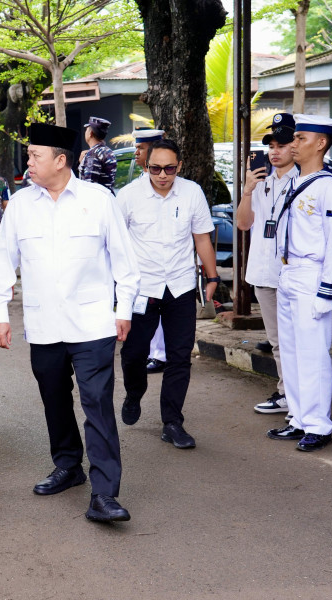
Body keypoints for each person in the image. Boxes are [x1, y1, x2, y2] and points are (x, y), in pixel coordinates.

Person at [0, 122, 140, 523]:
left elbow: (124, 260)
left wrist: (123, 309)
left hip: (92, 323)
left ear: (60, 160)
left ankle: (104, 493)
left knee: (97, 404)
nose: (29, 162)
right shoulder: (21, 204)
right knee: (54, 399)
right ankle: (68, 465)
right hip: (44, 325)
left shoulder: (98, 199)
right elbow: (3, 260)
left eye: (35, 155)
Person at [116, 139, 219, 449]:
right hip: (141, 288)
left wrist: (211, 276)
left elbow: (201, 238)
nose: (162, 175)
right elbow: (116, 245)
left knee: (179, 357)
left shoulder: (191, 193)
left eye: (169, 169)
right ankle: (135, 393)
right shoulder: (128, 196)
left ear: (179, 167)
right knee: (133, 355)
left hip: (180, 286)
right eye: (156, 168)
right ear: (146, 167)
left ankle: (172, 422)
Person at [266, 115, 332, 452]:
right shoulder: (296, 181)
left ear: (321, 143)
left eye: (300, 138)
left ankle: (319, 424)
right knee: (293, 352)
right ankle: (298, 419)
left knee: (313, 354)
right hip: (289, 272)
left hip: (312, 275)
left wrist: (327, 289)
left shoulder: (328, 186)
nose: (293, 144)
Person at [235, 113, 299, 415]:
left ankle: (299, 396)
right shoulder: (261, 183)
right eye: (271, 145)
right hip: (264, 273)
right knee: (277, 341)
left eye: (282, 144)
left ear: (295, 146)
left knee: (297, 339)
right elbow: (243, 224)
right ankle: (287, 393)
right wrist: (247, 190)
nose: (275, 151)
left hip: (293, 273)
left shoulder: (304, 181)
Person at [131, 128, 167, 372]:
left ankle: (161, 355)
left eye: (141, 148)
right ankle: (151, 352)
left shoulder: (167, 185)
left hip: (163, 263)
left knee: (162, 313)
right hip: (140, 262)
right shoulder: (137, 185)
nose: (136, 152)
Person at [79, 117, 117, 193]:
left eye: (86, 129)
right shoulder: (108, 151)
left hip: (97, 201)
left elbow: (89, 185)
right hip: (108, 199)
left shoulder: (93, 154)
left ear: (90, 133)